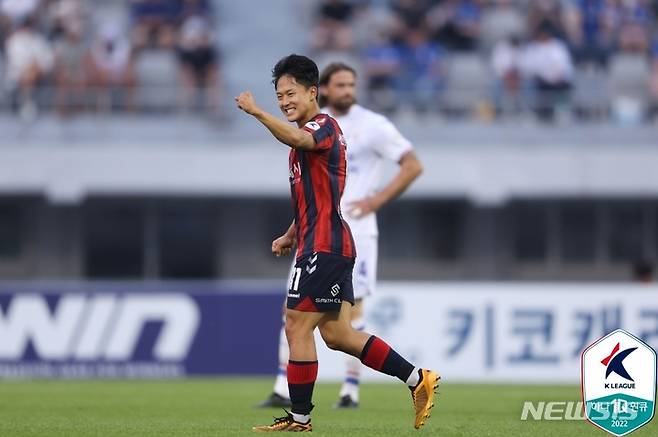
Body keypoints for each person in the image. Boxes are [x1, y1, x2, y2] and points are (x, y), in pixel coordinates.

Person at [235, 54, 439, 432]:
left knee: (296, 325)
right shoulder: (304, 143)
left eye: (290, 93)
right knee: (337, 334)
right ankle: (417, 379)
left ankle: (300, 418)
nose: (284, 101)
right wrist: (291, 233)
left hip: (324, 246)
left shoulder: (323, 126)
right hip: (324, 242)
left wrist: (258, 112)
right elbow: (315, 198)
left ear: (314, 92)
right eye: (279, 96)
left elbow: (297, 136)